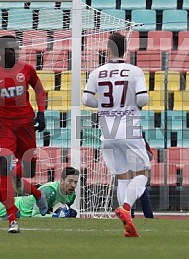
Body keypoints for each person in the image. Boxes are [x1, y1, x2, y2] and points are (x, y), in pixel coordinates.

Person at [0, 35, 48, 233]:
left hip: (25, 125)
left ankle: (38, 194)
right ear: (2, 51)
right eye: (11, 49)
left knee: (27, 170)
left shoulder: (27, 70)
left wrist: (41, 112)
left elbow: (40, 90)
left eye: (17, 48)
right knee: (4, 166)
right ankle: (12, 218)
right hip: (3, 127)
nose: (15, 52)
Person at [82, 32, 150, 237]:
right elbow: (143, 99)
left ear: (108, 49)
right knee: (142, 173)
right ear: (125, 49)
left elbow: (86, 100)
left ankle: (127, 226)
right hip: (129, 127)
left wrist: (104, 105)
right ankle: (127, 207)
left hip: (107, 131)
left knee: (122, 177)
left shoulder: (97, 72)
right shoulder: (134, 71)